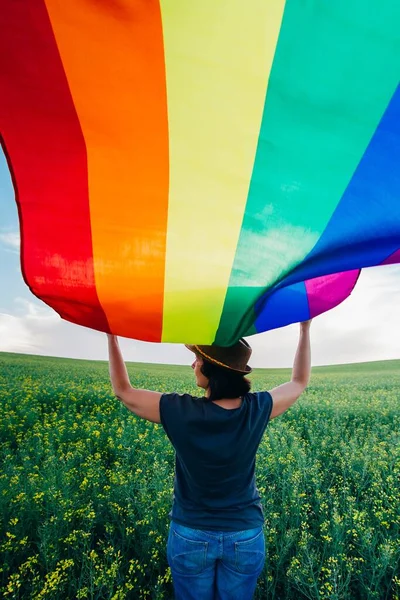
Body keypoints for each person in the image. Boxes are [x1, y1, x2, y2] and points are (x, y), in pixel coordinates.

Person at [107, 320, 312, 600]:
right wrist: (304, 330)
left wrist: (113, 337)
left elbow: (124, 391)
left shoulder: (180, 411)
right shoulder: (257, 409)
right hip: (245, 535)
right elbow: (299, 382)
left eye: (197, 359)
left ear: (212, 370)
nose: (193, 365)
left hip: (191, 533)